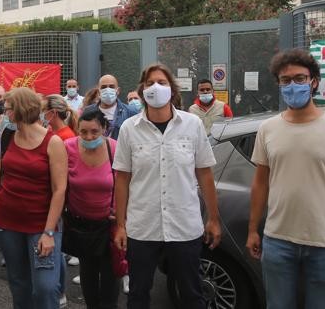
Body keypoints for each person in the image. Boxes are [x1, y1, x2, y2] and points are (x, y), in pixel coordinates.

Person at [245, 49, 325, 309]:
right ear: (279, 84)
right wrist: (252, 230)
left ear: (314, 81)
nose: (293, 85)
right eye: (285, 80)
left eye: (300, 78)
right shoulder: (267, 129)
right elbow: (260, 183)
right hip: (277, 241)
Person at [112, 63, 223, 309]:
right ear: (142, 90)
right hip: (142, 228)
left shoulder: (192, 124)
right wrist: (120, 225)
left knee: (192, 293)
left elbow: (205, 174)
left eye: (161, 82)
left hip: (184, 227)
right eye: (150, 83)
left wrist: (214, 218)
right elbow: (122, 179)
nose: (155, 87)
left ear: (172, 90)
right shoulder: (130, 129)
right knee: (138, 294)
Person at [0, 88, 68, 309]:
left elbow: (59, 189)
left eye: (8, 108)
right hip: (5, 221)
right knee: (18, 282)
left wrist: (49, 231)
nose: (5, 112)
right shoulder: (8, 135)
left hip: (41, 225)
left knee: (45, 287)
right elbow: (1, 165)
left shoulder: (53, 142)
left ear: (20, 109)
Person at [65, 109, 119, 309]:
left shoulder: (115, 148)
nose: (88, 137)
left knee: (110, 277)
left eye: (94, 132)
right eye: (83, 132)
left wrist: (122, 216)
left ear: (105, 128)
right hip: (82, 225)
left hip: (110, 225)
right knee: (88, 273)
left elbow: (127, 184)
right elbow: (59, 184)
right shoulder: (68, 148)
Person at [83, 75, 138, 140]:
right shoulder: (88, 111)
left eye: (111, 87)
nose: (107, 90)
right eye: (103, 87)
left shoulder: (130, 112)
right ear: (98, 92)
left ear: (118, 91)